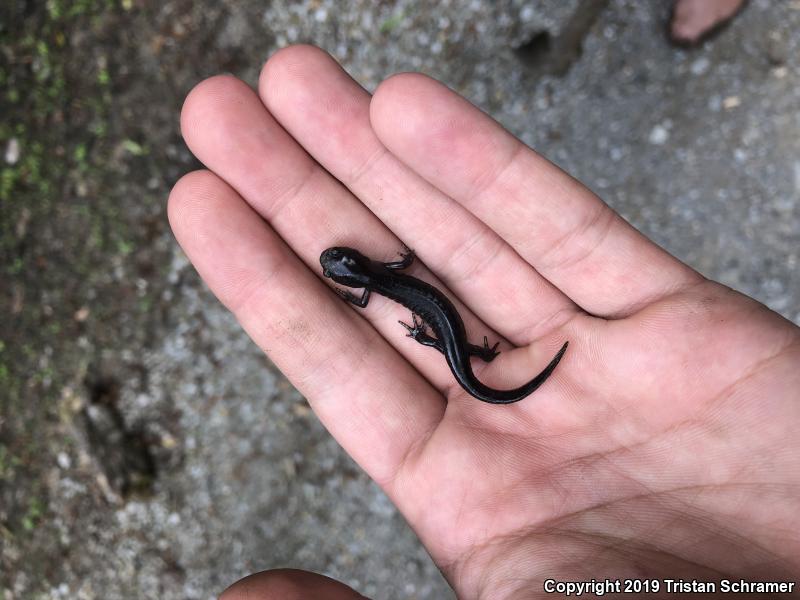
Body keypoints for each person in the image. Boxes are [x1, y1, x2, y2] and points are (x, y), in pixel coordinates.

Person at [168, 45, 800, 599]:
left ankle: (480, 361)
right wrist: (436, 334)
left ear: (354, 271)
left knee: (457, 356)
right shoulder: (385, 274)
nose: (340, 266)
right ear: (358, 269)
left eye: (341, 267)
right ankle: (479, 360)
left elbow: (382, 290)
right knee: (460, 357)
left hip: (451, 343)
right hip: (452, 342)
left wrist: (420, 330)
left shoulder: (373, 290)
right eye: (342, 269)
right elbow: (403, 264)